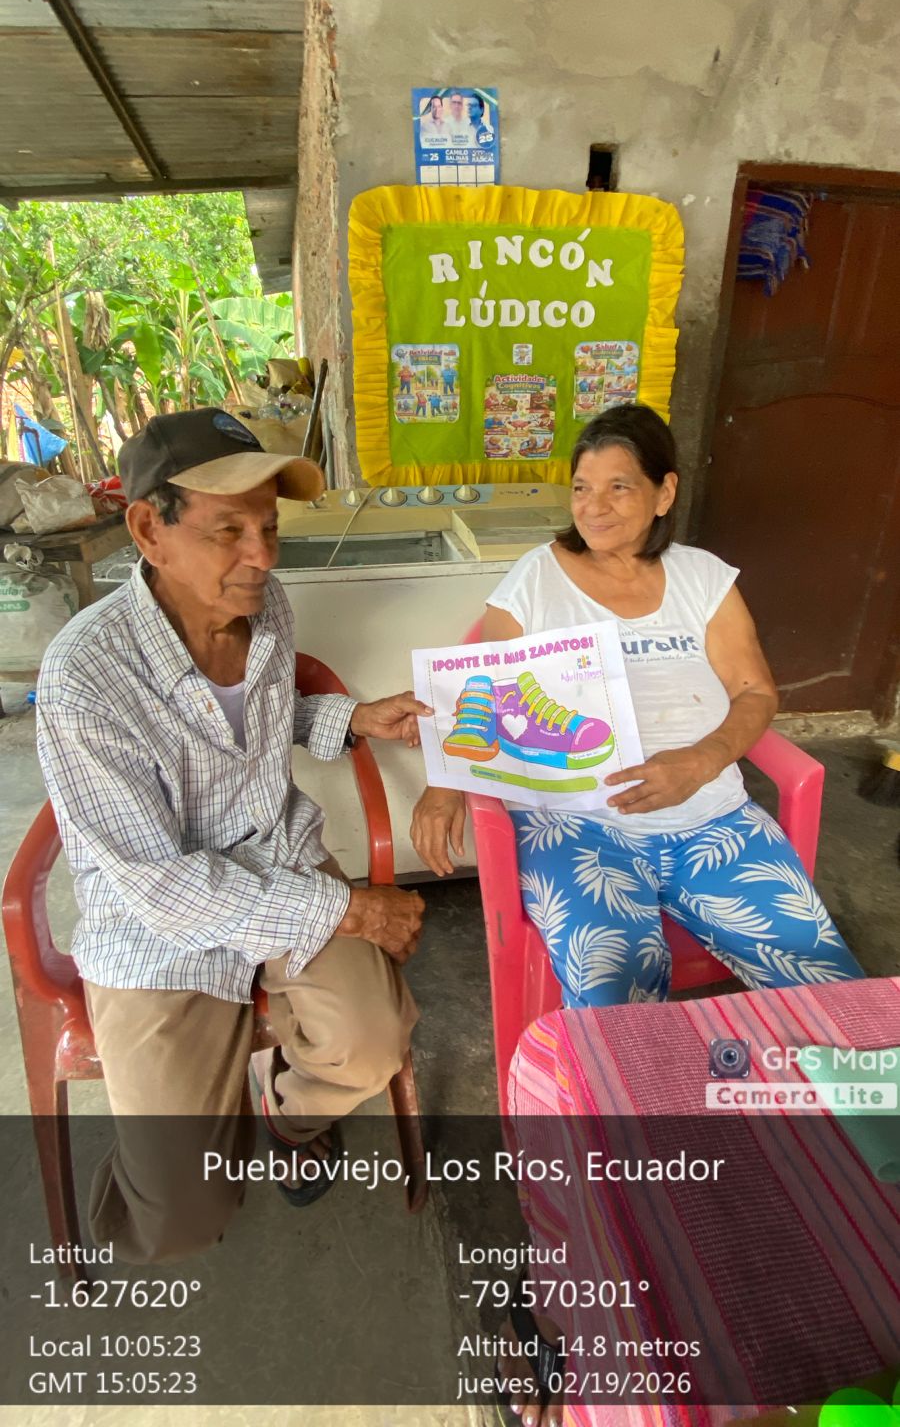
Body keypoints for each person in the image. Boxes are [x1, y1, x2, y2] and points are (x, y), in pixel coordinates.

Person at [37, 408, 429, 1263]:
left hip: (278, 857)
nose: (263, 556)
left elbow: (256, 720)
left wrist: (351, 717)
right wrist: (353, 911)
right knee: (178, 1217)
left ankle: (289, 1114)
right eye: (229, 531)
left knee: (370, 1047)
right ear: (149, 529)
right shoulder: (85, 675)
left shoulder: (264, 605)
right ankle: (157, 1169)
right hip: (158, 928)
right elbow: (159, 886)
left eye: (269, 528)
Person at [412, 404, 863, 1007]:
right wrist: (444, 786)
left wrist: (701, 762)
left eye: (618, 487)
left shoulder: (703, 577)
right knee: (614, 998)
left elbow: (755, 691)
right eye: (581, 488)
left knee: (834, 990)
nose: (594, 507)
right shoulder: (537, 579)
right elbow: (479, 689)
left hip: (713, 819)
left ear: (663, 493)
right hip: (576, 826)